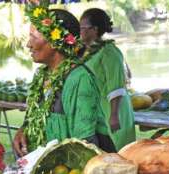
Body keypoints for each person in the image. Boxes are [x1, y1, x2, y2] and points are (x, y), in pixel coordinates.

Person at [13, 4, 111, 156]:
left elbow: (84, 143)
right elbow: (35, 116)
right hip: (41, 169)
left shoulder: (79, 79)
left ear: (54, 42)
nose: (28, 44)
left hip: (67, 172)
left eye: (33, 37)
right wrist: (22, 131)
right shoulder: (41, 75)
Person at [79, 8, 136, 151]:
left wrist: (114, 115)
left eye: (83, 28)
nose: (80, 31)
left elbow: (116, 86)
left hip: (112, 110)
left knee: (118, 154)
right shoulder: (86, 51)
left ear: (94, 29)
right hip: (97, 112)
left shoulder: (109, 52)